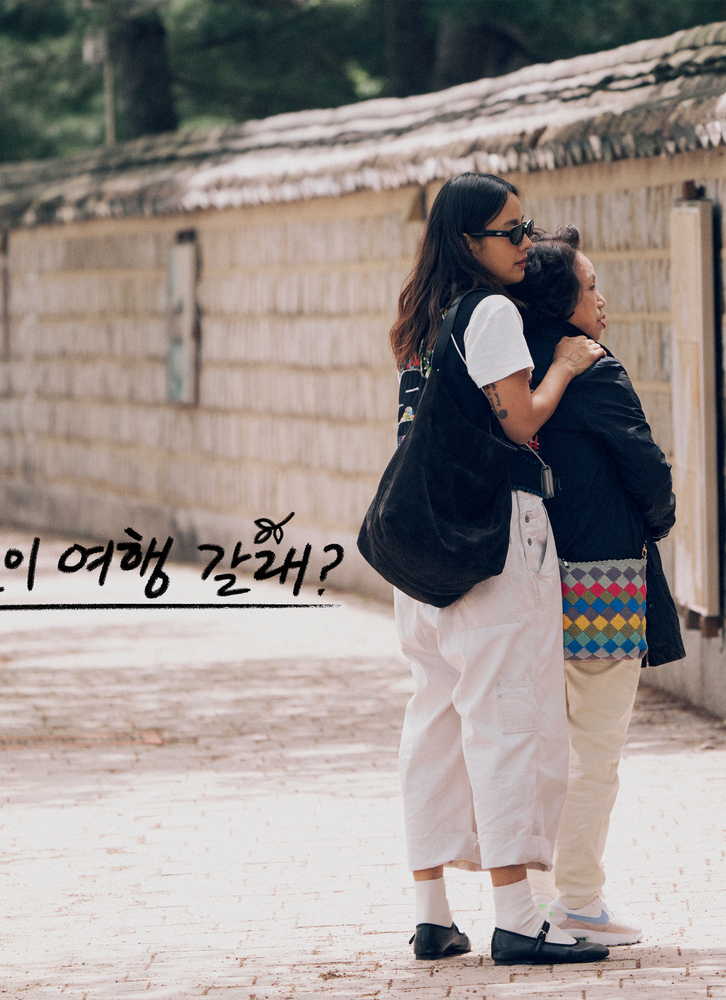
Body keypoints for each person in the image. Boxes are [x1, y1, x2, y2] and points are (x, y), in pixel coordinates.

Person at [390, 172, 609, 966]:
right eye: (510, 232)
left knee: (436, 719)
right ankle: (519, 916)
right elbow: (519, 421)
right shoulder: (490, 312)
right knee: (510, 713)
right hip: (493, 534)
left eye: (525, 228)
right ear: (468, 242)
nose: (525, 244)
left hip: (420, 543)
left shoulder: (422, 320)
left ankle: (432, 914)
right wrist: (565, 366)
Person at [514, 225, 683, 946]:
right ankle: (579, 900)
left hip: (530, 576)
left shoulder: (514, 367)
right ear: (562, 300)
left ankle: (537, 900)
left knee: (543, 744)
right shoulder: (590, 366)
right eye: (590, 287)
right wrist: (659, 518)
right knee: (597, 748)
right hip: (605, 577)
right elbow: (645, 465)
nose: (602, 300)